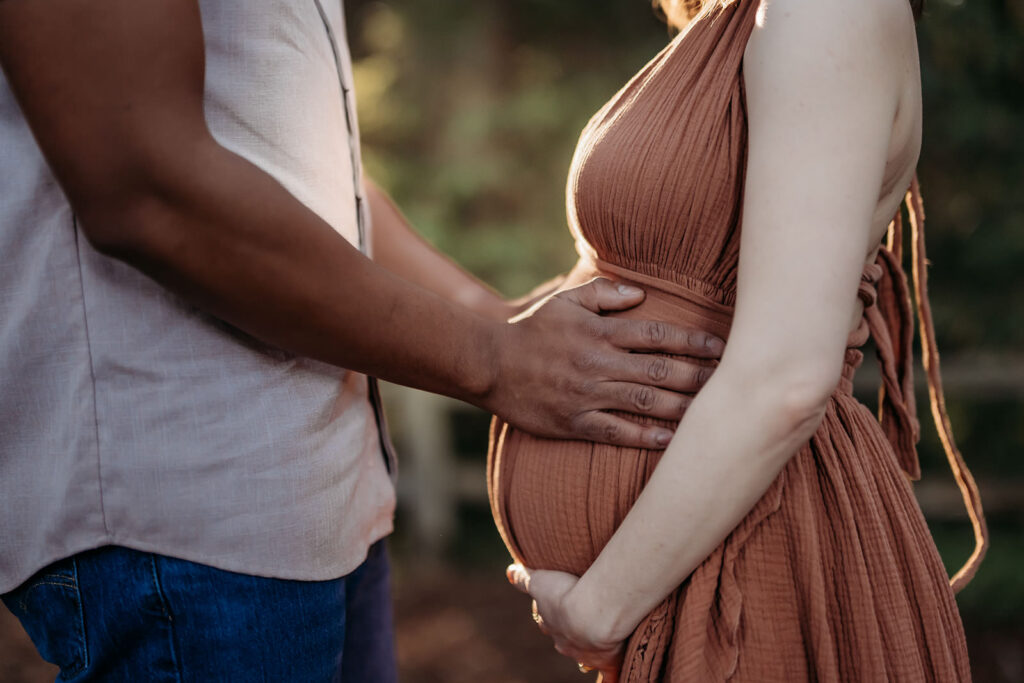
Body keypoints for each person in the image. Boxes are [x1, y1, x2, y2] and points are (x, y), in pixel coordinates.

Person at [0, 1, 727, 681]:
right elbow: (142, 183)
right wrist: (493, 357)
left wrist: (494, 312)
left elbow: (296, 171)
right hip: (181, 525)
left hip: (323, 501)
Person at [491, 0, 989, 680]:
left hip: (761, 559)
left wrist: (602, 607)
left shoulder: (827, 11)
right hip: (690, 570)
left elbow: (786, 376)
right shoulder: (740, 15)